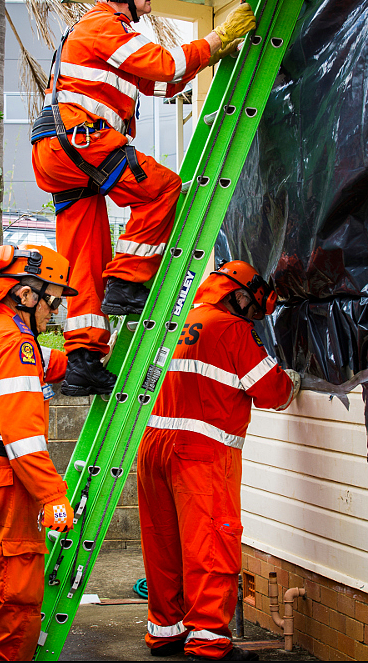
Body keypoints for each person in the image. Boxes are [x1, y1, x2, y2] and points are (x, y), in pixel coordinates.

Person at [31, 0, 257, 398]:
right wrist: (218, 37)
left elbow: (161, 81)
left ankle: (82, 361)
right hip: (79, 140)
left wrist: (213, 52)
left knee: (83, 261)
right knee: (161, 189)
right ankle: (129, 281)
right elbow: (166, 65)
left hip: (60, 153)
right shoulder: (103, 25)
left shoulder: (103, 36)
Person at [137, 261, 301, 661]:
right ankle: (208, 640)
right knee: (210, 544)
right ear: (239, 295)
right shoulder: (231, 329)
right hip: (202, 454)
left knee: (164, 544)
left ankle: (166, 632)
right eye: (252, 306)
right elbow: (273, 391)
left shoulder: (177, 322)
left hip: (152, 448)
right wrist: (292, 380)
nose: (252, 317)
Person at [0, 244, 77, 661]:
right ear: (24, 295)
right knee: (15, 586)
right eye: (51, 299)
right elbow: (23, 439)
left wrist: (80, 359)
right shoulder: (15, 341)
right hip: (5, 475)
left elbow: (36, 362)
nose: (52, 312)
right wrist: (53, 496)